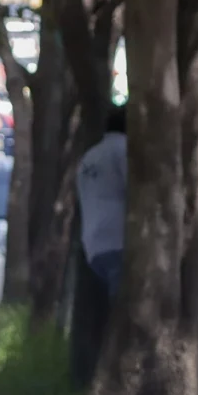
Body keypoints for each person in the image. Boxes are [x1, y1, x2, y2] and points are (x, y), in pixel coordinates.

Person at [76, 105, 127, 300]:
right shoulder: (123, 149)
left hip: (93, 245)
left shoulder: (90, 156)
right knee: (122, 303)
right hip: (117, 239)